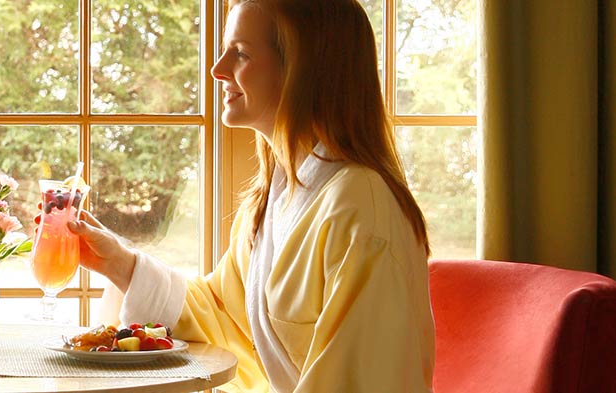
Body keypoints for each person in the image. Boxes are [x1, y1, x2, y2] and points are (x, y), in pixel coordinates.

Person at [72, 0, 435, 391]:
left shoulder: (360, 210)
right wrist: (119, 264)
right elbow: (225, 317)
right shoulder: (276, 198)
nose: (218, 69)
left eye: (241, 53)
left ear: (303, 69)